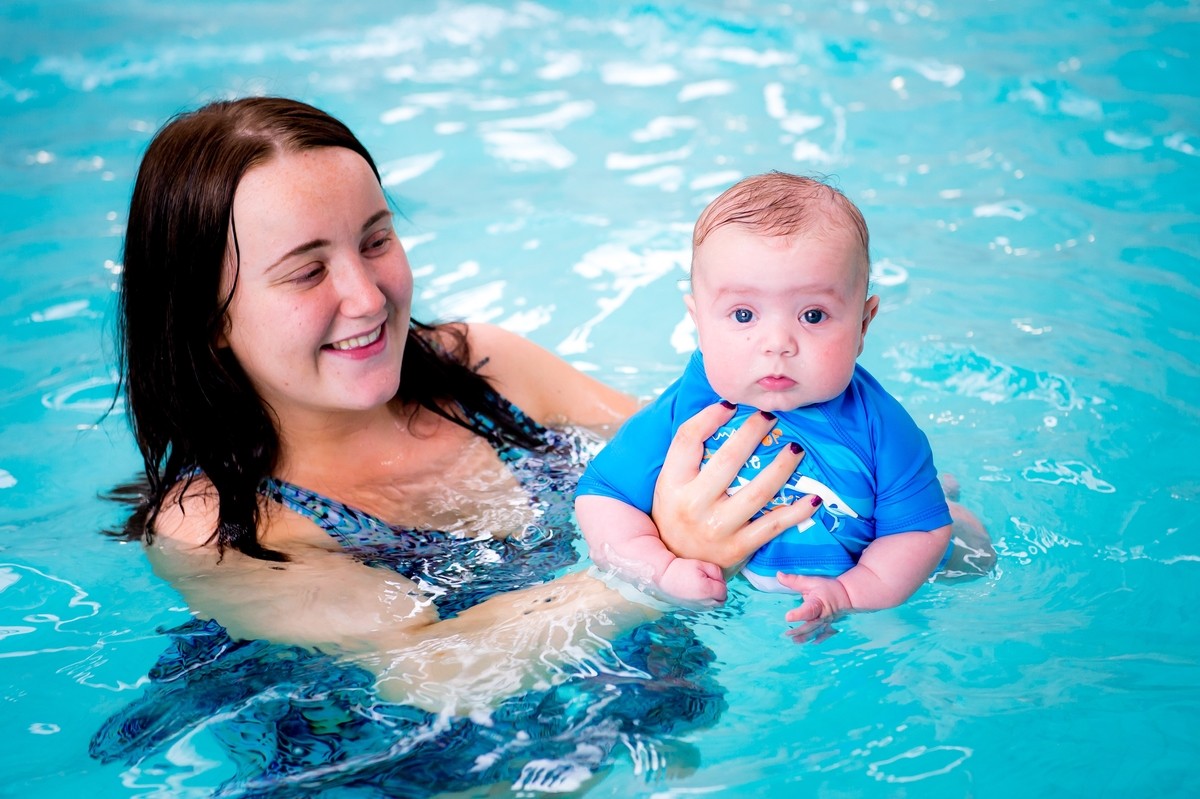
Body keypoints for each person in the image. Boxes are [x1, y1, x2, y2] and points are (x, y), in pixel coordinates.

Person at [111, 98, 819, 722]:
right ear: (208, 318)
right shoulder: (220, 527)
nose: (366, 296)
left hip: (630, 704)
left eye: (376, 239)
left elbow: (700, 446)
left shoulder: (484, 371)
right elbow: (429, 671)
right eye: (307, 270)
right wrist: (659, 562)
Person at [576, 172, 994, 637]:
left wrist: (853, 592)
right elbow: (604, 494)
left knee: (968, 554)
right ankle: (929, 488)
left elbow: (915, 534)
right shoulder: (685, 407)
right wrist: (657, 569)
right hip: (745, 584)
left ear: (864, 323)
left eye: (812, 315)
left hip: (852, 561)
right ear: (698, 321)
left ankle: (937, 495)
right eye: (742, 314)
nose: (777, 344)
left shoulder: (881, 426)